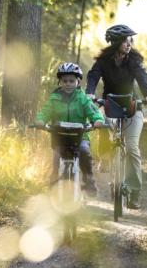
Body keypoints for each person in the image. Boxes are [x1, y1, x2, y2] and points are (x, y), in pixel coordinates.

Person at [85, 24, 147, 209]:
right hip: (111, 104)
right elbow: (93, 76)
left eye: (130, 40)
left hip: (132, 106)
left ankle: (134, 192)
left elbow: (142, 77)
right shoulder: (103, 62)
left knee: (132, 147)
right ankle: (106, 158)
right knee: (104, 122)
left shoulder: (133, 61)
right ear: (116, 42)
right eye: (126, 40)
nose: (129, 43)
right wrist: (90, 92)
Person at [34, 62, 105, 196]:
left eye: (71, 81)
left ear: (78, 82)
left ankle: (88, 179)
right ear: (60, 82)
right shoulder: (54, 98)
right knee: (56, 159)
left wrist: (98, 120)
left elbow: (93, 111)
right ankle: (54, 186)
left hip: (80, 136)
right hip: (59, 136)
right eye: (64, 81)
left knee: (84, 151)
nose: (68, 84)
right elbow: (45, 111)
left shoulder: (83, 99)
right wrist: (40, 120)